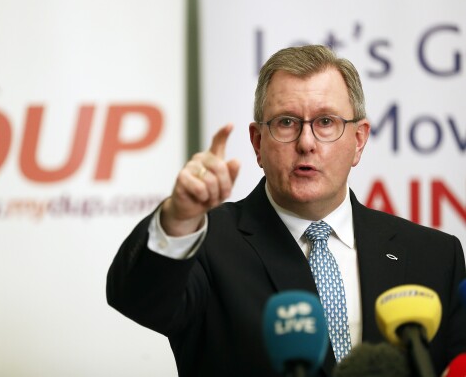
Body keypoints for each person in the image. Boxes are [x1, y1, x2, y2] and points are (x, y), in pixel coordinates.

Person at [106, 45, 466, 376]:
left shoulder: (433, 256)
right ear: (258, 143)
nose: (306, 143)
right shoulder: (206, 244)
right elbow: (140, 300)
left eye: (326, 122)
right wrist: (180, 217)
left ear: (358, 141)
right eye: (286, 123)